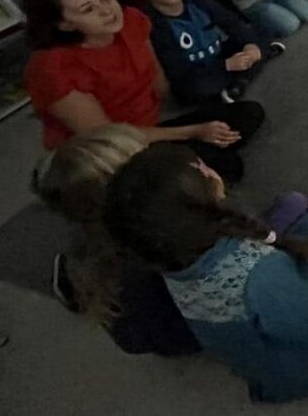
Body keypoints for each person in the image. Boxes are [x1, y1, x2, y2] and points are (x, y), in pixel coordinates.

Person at [102, 143, 308, 403]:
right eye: (200, 170)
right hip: (307, 360)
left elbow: (274, 247)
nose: (209, 169)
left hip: (279, 315)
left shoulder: (173, 258)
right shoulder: (258, 274)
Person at [21, 0, 264, 183]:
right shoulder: (52, 68)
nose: (106, 11)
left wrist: (192, 116)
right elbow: (108, 138)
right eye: (88, 9)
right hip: (106, 151)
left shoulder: (131, 20)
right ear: (64, 24)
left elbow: (160, 83)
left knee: (248, 113)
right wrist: (193, 131)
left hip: (150, 126)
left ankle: (184, 161)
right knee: (226, 167)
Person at [30, 124, 200, 356]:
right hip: (181, 333)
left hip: (136, 325)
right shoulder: (157, 246)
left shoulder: (95, 236)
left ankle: (72, 286)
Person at [127, 0, 282, 105]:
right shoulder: (152, 24)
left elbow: (232, 23)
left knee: (261, 30)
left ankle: (239, 81)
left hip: (218, 55)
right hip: (197, 73)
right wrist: (226, 66)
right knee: (194, 89)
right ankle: (246, 72)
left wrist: (250, 45)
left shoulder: (197, 0)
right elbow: (178, 72)